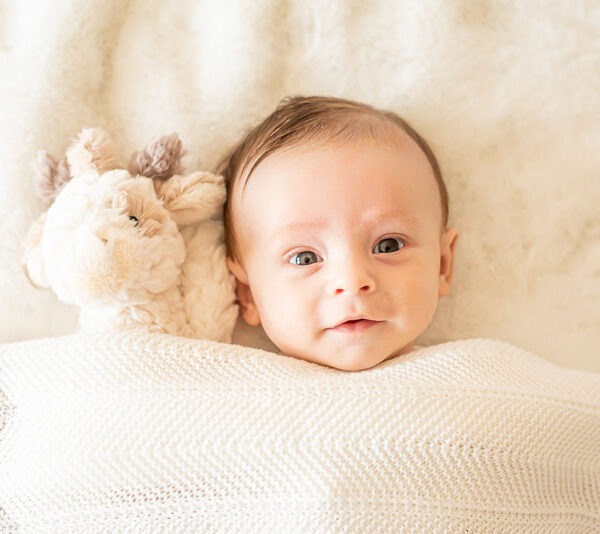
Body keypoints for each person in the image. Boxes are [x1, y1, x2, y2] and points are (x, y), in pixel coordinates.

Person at [219, 96, 459, 371]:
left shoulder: (477, 373)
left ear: (442, 265)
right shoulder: (233, 390)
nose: (353, 280)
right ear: (247, 293)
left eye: (388, 245)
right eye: (305, 258)